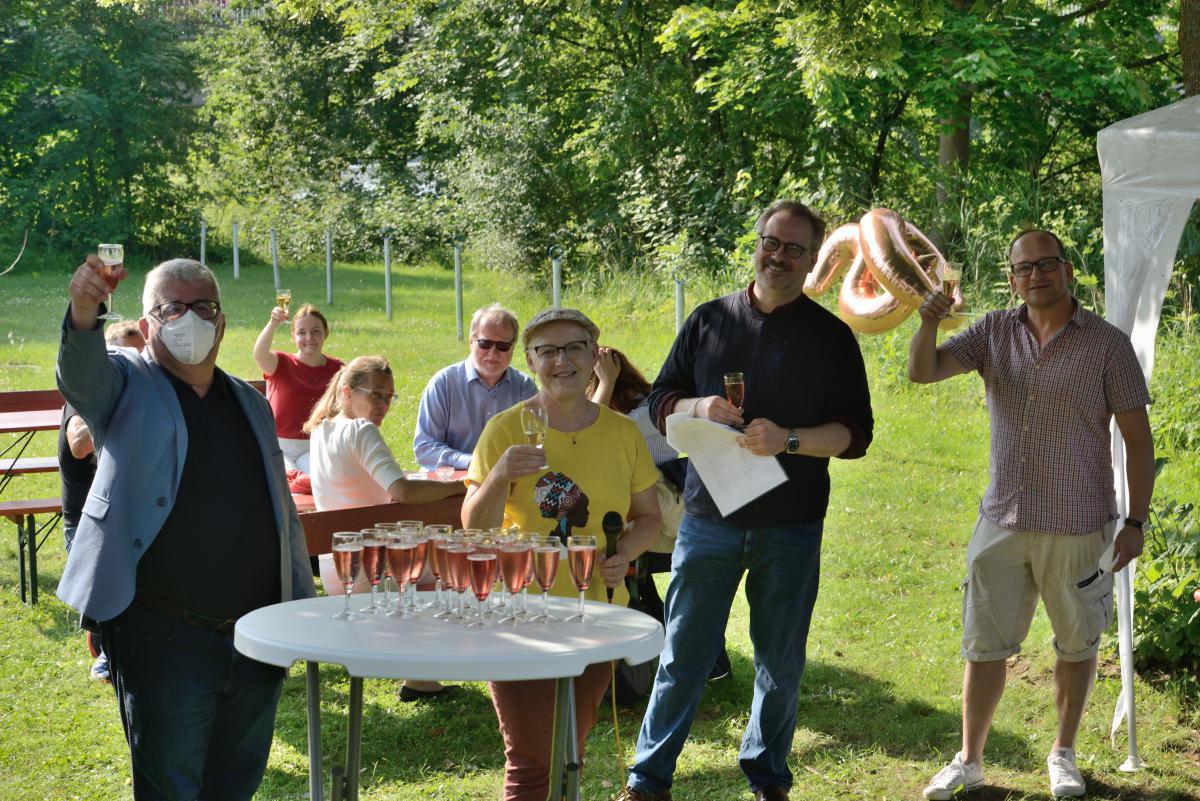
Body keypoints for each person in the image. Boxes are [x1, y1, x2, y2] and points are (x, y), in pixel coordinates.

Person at [620, 200, 874, 801]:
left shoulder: (832, 338)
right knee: (683, 651)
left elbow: (854, 434)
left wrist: (788, 439)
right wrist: (697, 407)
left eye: (793, 249)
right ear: (756, 245)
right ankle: (647, 779)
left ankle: (767, 777)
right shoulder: (710, 320)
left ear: (813, 261)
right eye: (770, 242)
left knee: (778, 662)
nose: (778, 256)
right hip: (710, 517)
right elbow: (660, 397)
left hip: (791, 524)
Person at [58, 256, 316, 801]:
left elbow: (279, 511)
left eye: (203, 306)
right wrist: (85, 313)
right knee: (171, 789)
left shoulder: (249, 401)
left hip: (254, 635)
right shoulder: (125, 383)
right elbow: (83, 379)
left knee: (235, 785)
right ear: (149, 324)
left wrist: (297, 600)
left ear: (221, 322)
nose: (190, 318)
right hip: (164, 638)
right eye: (172, 308)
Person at [908, 229, 1154, 800]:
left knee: (1076, 644)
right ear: (1011, 277)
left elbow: (1137, 441)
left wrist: (1135, 523)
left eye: (1047, 265)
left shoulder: (1107, 344)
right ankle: (970, 759)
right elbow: (923, 372)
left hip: (1079, 521)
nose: (1036, 275)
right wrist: (926, 322)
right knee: (984, 644)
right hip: (1004, 519)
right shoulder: (994, 332)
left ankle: (1063, 753)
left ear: (1067, 270)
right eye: (1024, 268)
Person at [463, 308, 662, 801]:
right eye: (547, 351)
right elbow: (475, 528)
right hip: (520, 613)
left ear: (595, 356)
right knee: (532, 761)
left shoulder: (622, 433)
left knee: (570, 751)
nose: (562, 360)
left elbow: (648, 518)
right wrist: (500, 474)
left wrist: (628, 553)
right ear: (530, 361)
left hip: (596, 613)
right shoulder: (506, 431)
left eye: (574, 347)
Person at [305, 355, 466, 702]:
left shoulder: (322, 428)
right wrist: (462, 487)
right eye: (376, 395)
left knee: (430, 550)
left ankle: (421, 673)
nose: (384, 405)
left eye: (389, 397)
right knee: (457, 558)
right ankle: (422, 668)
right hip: (372, 570)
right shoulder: (361, 430)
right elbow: (404, 491)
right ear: (347, 393)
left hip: (335, 567)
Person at [586, 346, 732, 682]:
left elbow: (599, 435)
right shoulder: (605, 411)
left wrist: (604, 383)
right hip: (649, 526)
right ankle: (666, 653)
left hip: (673, 518)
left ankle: (693, 656)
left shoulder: (645, 410)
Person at [59, 321, 146, 683]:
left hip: (128, 520)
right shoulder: (84, 400)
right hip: (86, 529)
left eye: (142, 356)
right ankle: (106, 646)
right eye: (128, 355)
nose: (138, 363)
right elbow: (79, 443)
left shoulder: (146, 398)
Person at [413, 303, 537, 471]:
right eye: (485, 343)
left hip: (506, 484)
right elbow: (424, 448)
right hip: (449, 486)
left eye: (503, 346)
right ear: (471, 341)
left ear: (513, 347)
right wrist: (472, 462)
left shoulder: (524, 388)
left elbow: (536, 443)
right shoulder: (443, 384)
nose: (493, 352)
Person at [253, 302, 343, 473]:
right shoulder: (281, 362)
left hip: (315, 446)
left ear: (326, 333)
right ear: (293, 336)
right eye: (302, 332)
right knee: (286, 478)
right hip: (278, 446)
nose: (309, 337)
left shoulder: (337, 369)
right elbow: (259, 354)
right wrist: (273, 323)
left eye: (316, 331)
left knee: (316, 479)